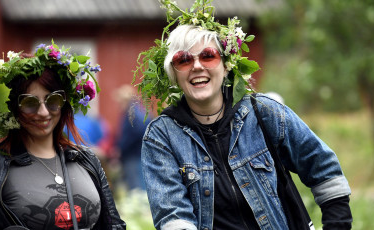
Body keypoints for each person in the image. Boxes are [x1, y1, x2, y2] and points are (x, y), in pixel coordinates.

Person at [134, 1, 352, 230]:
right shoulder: (162, 137)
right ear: (174, 74)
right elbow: (173, 218)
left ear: (226, 65)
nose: (197, 66)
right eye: (184, 60)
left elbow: (323, 168)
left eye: (208, 56)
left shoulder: (264, 113)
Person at [0, 42, 126, 230]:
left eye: (53, 100)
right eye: (30, 103)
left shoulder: (86, 159)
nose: (44, 112)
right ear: (12, 108)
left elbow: (114, 225)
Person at [114, 85, 151, 191]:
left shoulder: (132, 113)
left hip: (134, 155)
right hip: (138, 154)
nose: (119, 104)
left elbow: (136, 132)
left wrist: (121, 148)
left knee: (136, 187)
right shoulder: (139, 111)